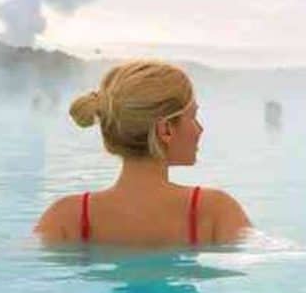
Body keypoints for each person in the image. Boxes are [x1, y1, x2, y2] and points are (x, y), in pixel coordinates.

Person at [35, 60, 251, 246]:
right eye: (193, 117)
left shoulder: (66, 217)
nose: (200, 129)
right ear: (165, 129)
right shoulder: (215, 212)